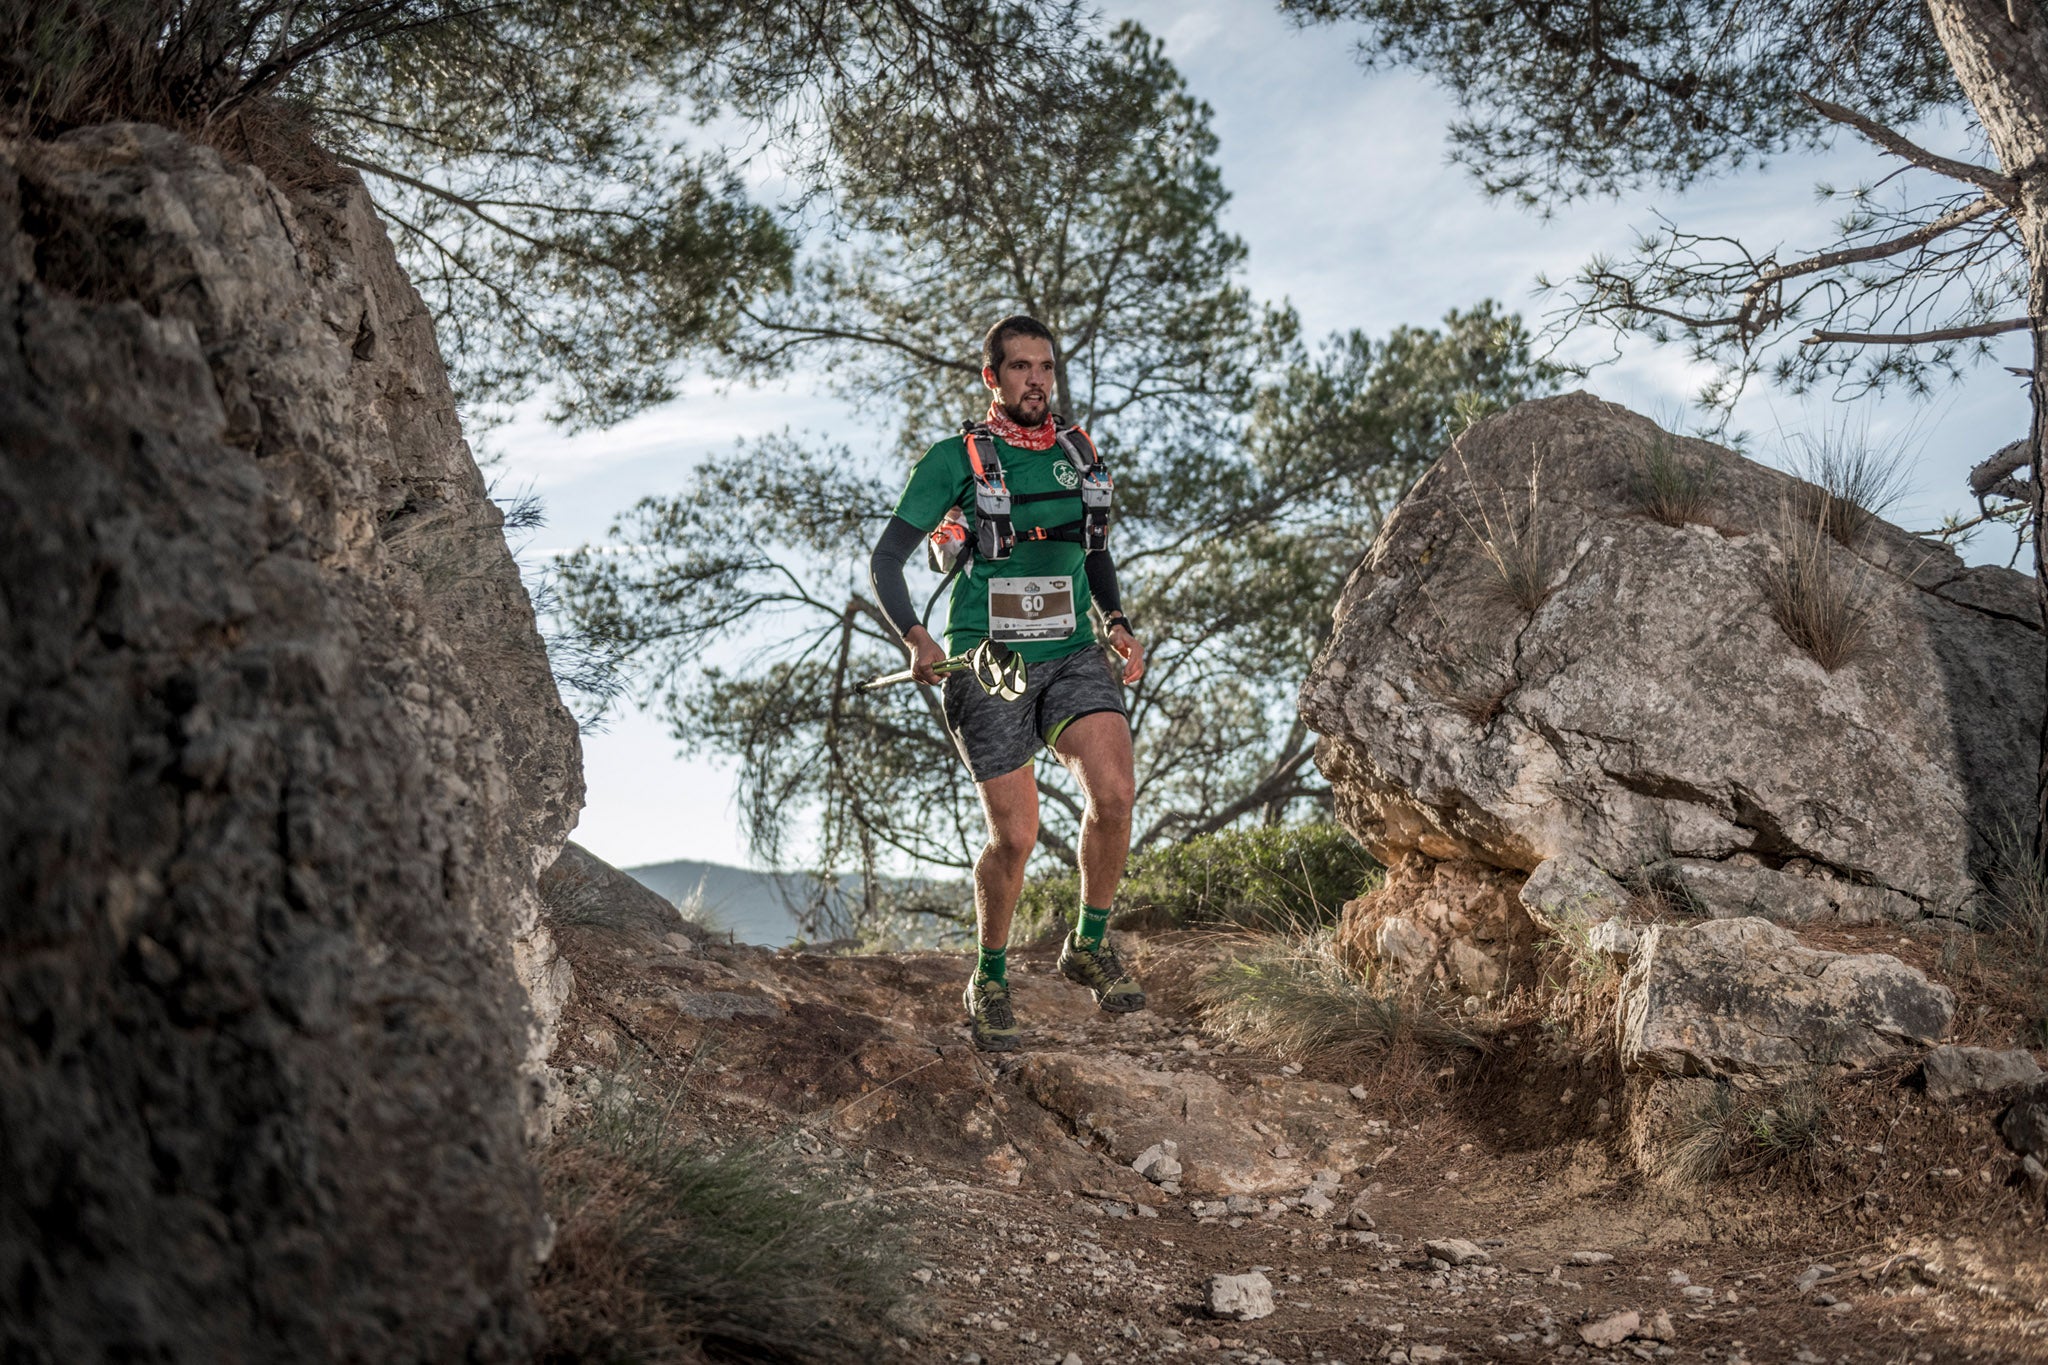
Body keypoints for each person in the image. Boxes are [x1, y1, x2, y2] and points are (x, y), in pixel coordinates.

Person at [868, 315, 1147, 1051]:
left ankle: (1088, 942)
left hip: (1073, 651)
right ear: (993, 377)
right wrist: (916, 636)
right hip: (986, 660)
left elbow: (1094, 551)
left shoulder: (1076, 455)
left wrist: (1116, 621)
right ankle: (989, 973)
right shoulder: (953, 458)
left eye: (1046, 368)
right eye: (1021, 368)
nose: (1036, 381)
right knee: (1015, 837)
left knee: (1115, 793)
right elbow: (887, 559)